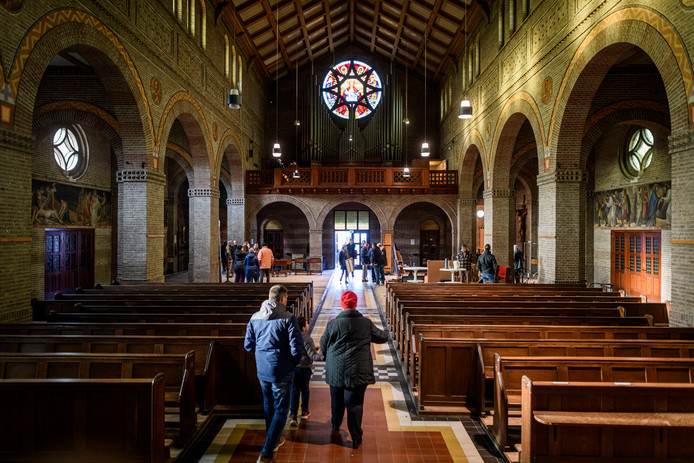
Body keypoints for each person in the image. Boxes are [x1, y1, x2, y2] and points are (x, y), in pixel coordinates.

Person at [320, 291, 389, 449]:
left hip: (336, 370)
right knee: (355, 404)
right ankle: (356, 437)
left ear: (342, 304)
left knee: (336, 401)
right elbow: (383, 337)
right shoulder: (365, 323)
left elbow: (323, 347)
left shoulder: (332, 323)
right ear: (355, 304)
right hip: (358, 371)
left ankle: (335, 425)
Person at [244, 285, 304, 463]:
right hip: (281, 370)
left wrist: (262, 353)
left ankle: (275, 438)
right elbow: (296, 348)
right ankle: (267, 450)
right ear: (283, 299)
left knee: (268, 404)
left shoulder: (255, 317)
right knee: (281, 408)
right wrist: (293, 363)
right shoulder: (288, 318)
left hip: (262, 369)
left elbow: (248, 345)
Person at [288, 315, 322, 428]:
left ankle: (293, 415)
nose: (308, 325)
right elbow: (312, 355)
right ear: (303, 327)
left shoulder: (291, 335)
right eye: (307, 323)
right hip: (304, 368)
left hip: (293, 368)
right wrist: (320, 354)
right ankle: (304, 412)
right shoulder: (307, 338)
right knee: (305, 390)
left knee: (294, 391)